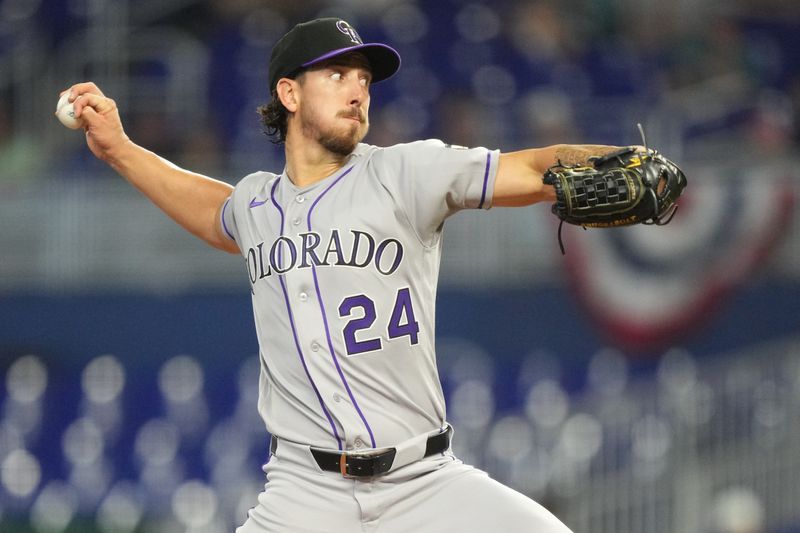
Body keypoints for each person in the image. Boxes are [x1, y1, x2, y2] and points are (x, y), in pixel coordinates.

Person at [65, 17, 629, 533]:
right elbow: (214, 212)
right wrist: (119, 150)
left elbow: (530, 166)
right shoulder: (256, 205)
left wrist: (619, 159)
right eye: (337, 74)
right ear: (289, 93)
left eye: (364, 79)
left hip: (425, 482)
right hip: (304, 493)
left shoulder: (404, 172)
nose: (358, 91)